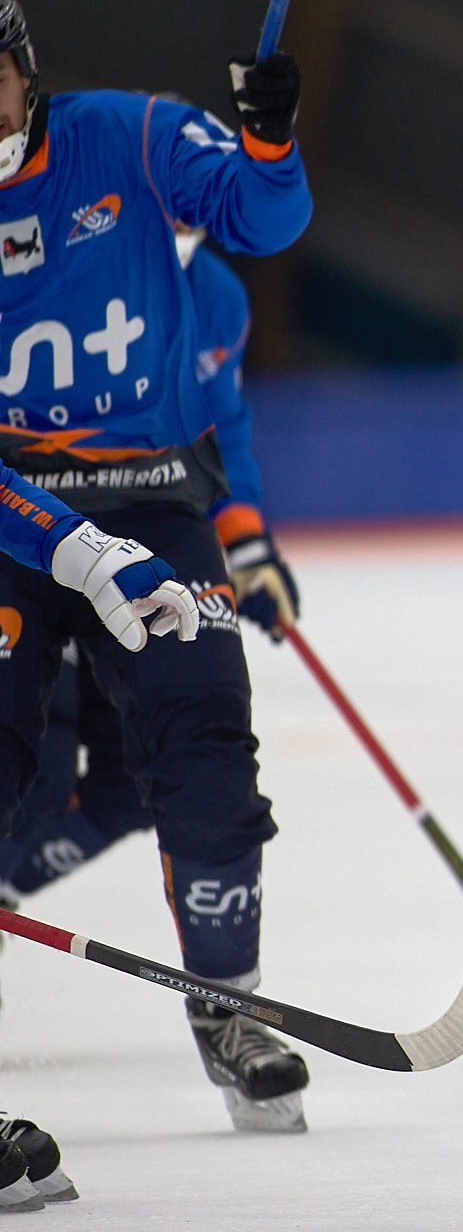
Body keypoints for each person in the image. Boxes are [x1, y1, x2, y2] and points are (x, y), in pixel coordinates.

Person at [0, 0, 315, 1133]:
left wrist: (270, 142)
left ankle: (228, 1009)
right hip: (10, 519)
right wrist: (69, 549)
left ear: (29, 75)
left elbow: (262, 217)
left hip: (150, 501)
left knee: (204, 745)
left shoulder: (125, 137)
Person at [0, 223, 299, 907]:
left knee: (125, 792)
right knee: (36, 775)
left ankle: (7, 891)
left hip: (140, 557)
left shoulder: (215, 294)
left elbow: (219, 425)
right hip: (32, 545)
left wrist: (248, 548)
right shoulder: (58, 269)